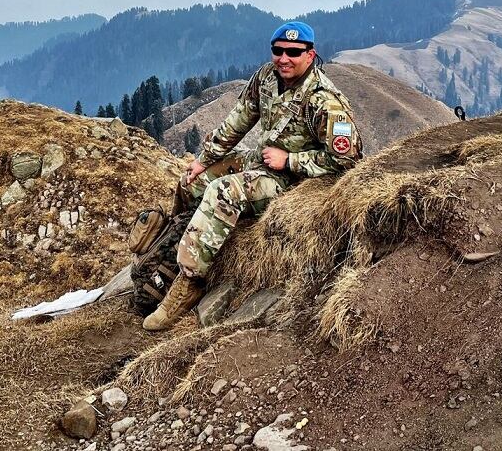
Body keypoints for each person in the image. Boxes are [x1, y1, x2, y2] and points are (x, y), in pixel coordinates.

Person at [142, 21, 362, 331]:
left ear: (310, 56)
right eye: (278, 50)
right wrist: (204, 160)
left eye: (293, 52)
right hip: (261, 161)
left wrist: (291, 160)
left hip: (296, 182)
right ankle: (172, 246)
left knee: (222, 192)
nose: (283, 58)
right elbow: (238, 120)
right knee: (192, 183)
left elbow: (347, 159)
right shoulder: (267, 77)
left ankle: (189, 282)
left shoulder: (325, 101)